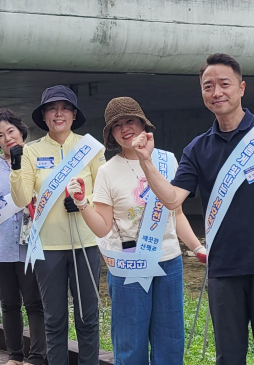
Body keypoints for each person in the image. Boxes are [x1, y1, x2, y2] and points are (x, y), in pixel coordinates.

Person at [132, 53, 254, 365]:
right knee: (229, 357)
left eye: (224, 84)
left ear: (241, 88)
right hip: (224, 270)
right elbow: (173, 199)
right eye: (208, 86)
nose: (217, 92)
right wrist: (146, 160)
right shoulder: (197, 148)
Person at [67, 97, 206, 364]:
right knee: (130, 342)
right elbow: (103, 226)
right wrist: (82, 203)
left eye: (130, 120)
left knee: (171, 338)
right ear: (111, 134)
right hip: (129, 262)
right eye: (117, 125)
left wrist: (197, 247)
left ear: (142, 123)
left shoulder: (167, 160)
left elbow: (176, 213)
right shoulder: (107, 171)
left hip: (169, 262)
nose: (125, 128)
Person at [9, 86, 105, 365]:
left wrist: (83, 200)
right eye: (52, 108)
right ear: (44, 116)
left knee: (88, 317)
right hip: (47, 247)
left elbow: (103, 193)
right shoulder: (30, 151)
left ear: (74, 114)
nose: (58, 113)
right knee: (54, 319)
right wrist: (16, 167)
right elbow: (21, 198)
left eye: (65, 108)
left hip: (86, 244)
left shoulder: (91, 148)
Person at [0, 108, 46, 365]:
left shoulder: (39, 159)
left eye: (10, 131)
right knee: (10, 303)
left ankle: (37, 357)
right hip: (1, 243)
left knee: (35, 303)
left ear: (21, 130)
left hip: (33, 245)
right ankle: (15, 356)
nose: (7, 138)